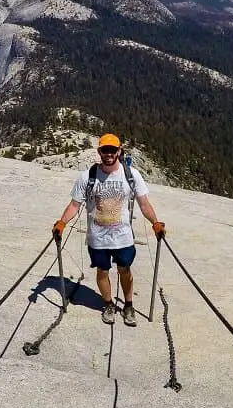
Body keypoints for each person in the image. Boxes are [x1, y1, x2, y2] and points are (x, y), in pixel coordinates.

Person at [53, 133, 165, 326]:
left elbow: (144, 203)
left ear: (119, 151)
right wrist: (62, 222)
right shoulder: (87, 177)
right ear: (100, 151)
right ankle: (108, 304)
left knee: (125, 270)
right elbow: (74, 205)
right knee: (102, 271)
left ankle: (128, 305)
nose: (109, 154)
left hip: (122, 237)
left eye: (113, 150)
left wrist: (155, 222)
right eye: (105, 150)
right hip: (98, 238)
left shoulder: (131, 175)